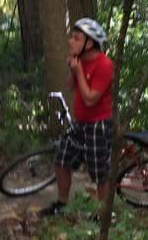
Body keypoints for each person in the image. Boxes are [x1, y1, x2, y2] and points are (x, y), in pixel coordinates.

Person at [40, 18, 114, 216]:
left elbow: (90, 99)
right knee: (61, 160)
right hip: (80, 123)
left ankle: (102, 213)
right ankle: (62, 204)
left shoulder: (104, 65)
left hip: (99, 125)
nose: (70, 41)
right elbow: (72, 86)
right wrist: (74, 70)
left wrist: (79, 71)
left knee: (99, 173)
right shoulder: (80, 61)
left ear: (89, 44)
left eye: (76, 38)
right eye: (71, 37)